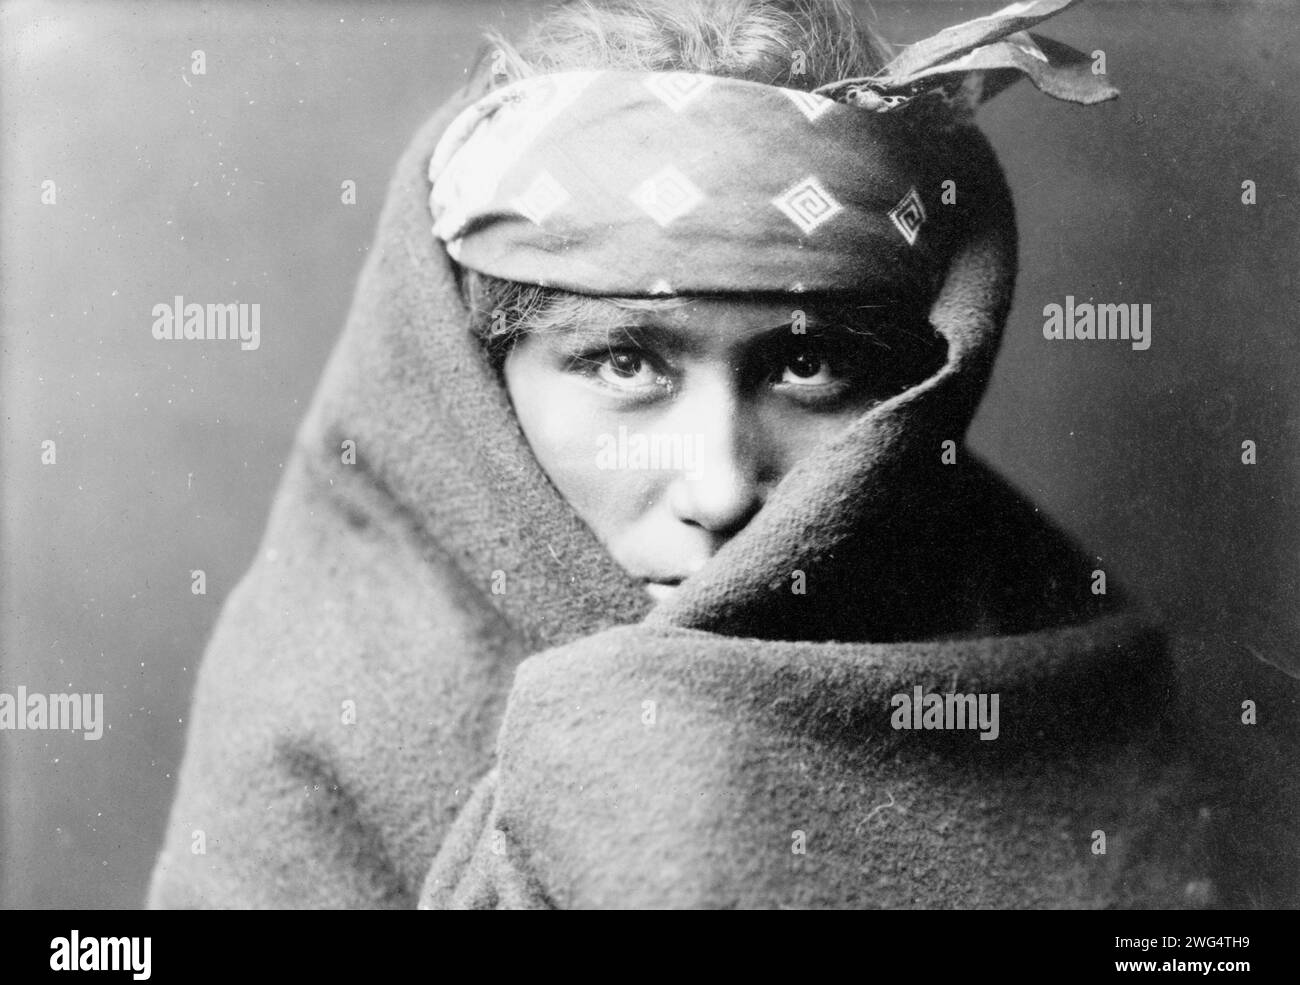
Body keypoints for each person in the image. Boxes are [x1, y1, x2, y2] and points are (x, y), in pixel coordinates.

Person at [149, 0, 1296, 909]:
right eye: (622, 362)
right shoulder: (322, 709)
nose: (718, 486)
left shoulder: (1042, 660)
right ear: (473, 375)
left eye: (806, 364)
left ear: (913, 385)